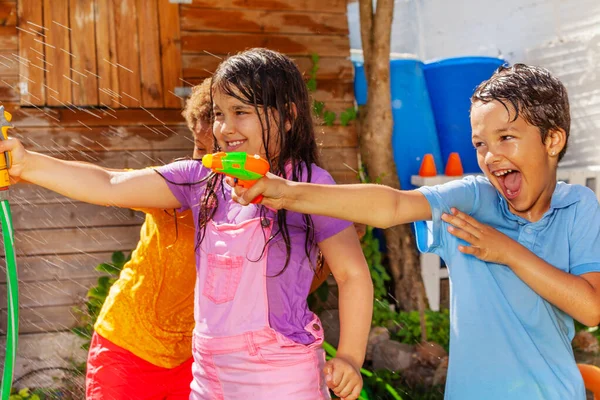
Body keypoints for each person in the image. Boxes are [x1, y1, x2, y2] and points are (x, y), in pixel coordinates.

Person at [2, 48, 373, 400]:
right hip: (209, 377)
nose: (225, 127)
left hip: (279, 377)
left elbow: (352, 274)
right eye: (218, 113)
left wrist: (351, 357)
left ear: (288, 117)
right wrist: (27, 164)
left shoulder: (309, 186)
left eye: (241, 111)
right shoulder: (200, 181)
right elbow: (108, 182)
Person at [231, 64, 600, 400]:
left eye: (506, 138)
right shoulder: (473, 199)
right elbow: (391, 206)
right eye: (480, 144)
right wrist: (289, 192)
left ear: (552, 141)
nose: (490, 156)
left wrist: (506, 251)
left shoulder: (577, 206)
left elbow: (591, 307)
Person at [86, 78, 214, 399]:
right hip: (128, 348)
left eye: (221, 153)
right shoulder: (179, 185)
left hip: (194, 356)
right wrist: (28, 165)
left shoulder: (258, 202)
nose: (208, 164)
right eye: (200, 148)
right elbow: (109, 183)